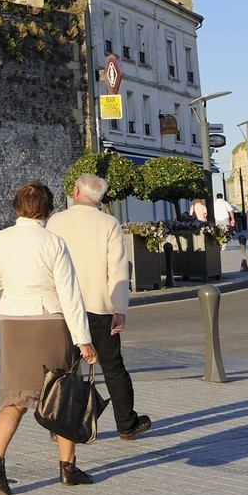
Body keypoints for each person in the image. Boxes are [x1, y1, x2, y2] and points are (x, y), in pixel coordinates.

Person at [0, 180, 99, 495]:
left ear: (17, 207)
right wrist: (83, 340)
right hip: (48, 321)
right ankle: (68, 468)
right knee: (63, 396)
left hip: (13, 322)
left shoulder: (1, 239)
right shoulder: (54, 243)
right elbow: (70, 295)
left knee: (15, 399)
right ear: (48, 209)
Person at [48, 173, 152, 445]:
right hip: (99, 306)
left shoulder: (56, 221)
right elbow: (117, 269)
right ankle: (127, 424)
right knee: (113, 367)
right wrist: (120, 308)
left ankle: (59, 425)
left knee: (65, 369)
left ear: (76, 192)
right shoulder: (109, 223)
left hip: (63, 307)